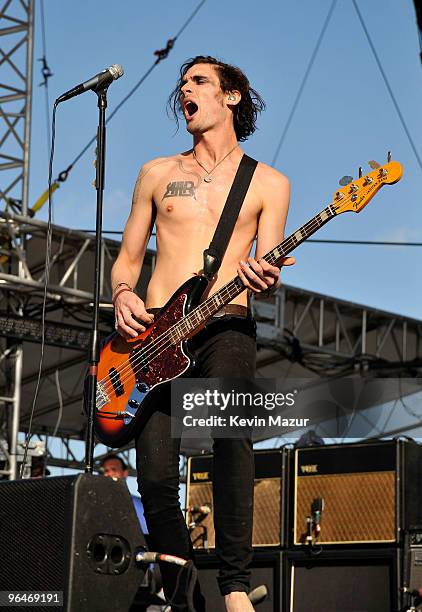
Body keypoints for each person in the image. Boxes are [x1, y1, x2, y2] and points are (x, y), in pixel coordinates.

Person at [111, 55, 294, 612]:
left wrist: (264, 276)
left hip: (225, 325)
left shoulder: (269, 183)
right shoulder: (156, 172)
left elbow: (266, 268)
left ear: (231, 96)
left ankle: (236, 585)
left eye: (198, 82)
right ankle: (182, 589)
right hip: (154, 337)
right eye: (182, 83)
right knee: (157, 473)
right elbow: (126, 262)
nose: (184, 90)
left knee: (231, 438)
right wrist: (123, 295)